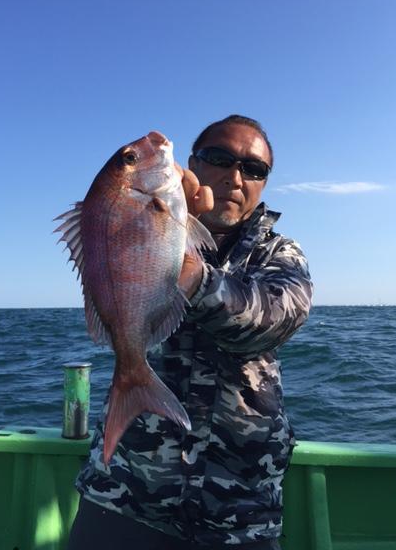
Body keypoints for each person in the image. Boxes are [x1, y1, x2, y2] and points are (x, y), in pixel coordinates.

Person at [68, 114, 313, 550]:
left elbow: (273, 322)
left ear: (263, 183)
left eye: (254, 169)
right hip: (124, 491)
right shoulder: (150, 213)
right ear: (192, 165)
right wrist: (167, 230)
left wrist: (194, 274)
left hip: (239, 508)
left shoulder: (280, 253)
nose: (235, 177)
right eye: (219, 158)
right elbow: (108, 259)